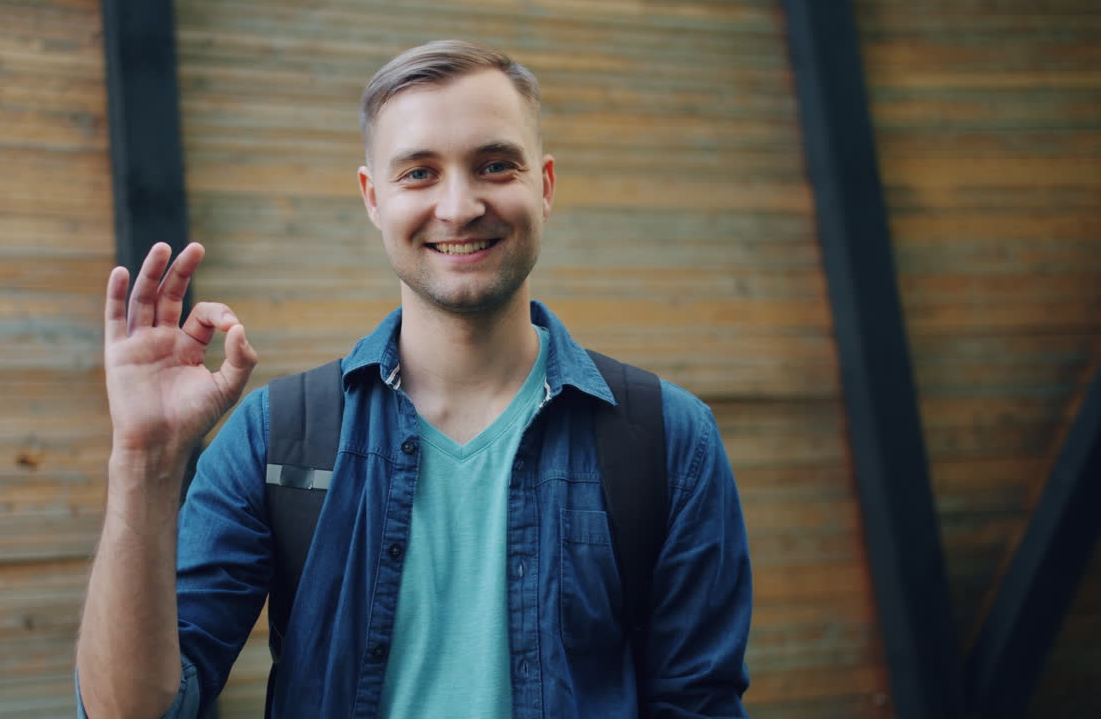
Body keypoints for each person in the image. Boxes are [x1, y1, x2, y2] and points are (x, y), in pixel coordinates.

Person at [76, 40, 751, 719]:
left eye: (494, 165)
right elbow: (133, 713)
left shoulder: (670, 439)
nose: (458, 207)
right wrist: (143, 461)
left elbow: (699, 705)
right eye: (419, 173)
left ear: (543, 186)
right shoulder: (274, 438)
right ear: (373, 198)